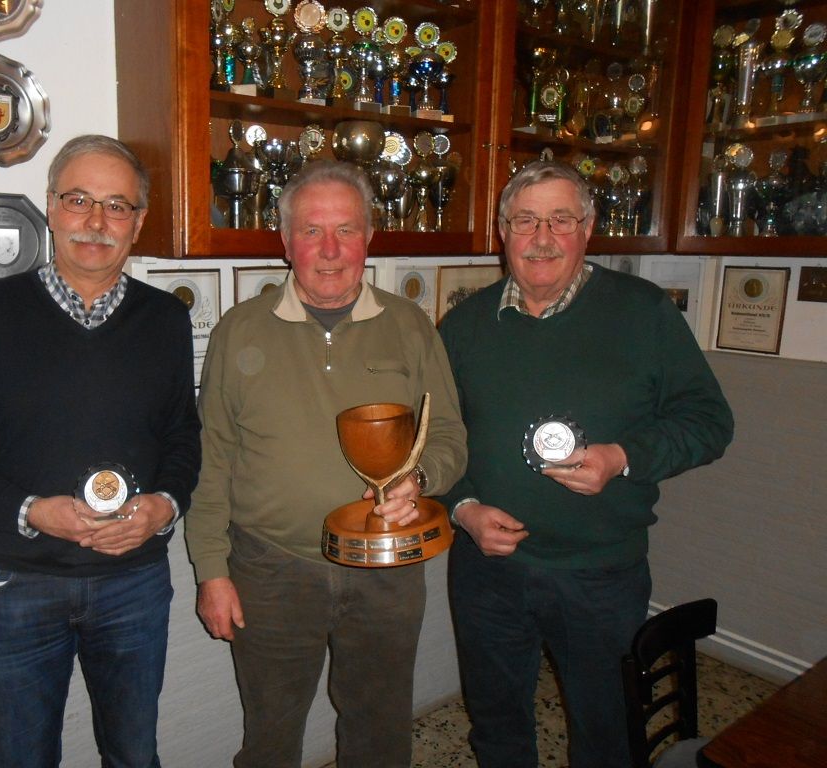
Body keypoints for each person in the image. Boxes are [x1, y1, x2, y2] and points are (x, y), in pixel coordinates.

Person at [0, 134, 201, 768]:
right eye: (78, 199)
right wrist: (31, 510)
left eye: (117, 205)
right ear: (50, 207)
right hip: (16, 585)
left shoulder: (165, 321)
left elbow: (183, 436)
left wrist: (165, 506)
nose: (96, 221)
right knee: (21, 758)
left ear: (138, 222)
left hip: (135, 584)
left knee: (133, 754)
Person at [438, 160, 734, 768]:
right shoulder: (465, 324)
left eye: (561, 219)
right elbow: (439, 438)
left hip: (599, 576)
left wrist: (624, 456)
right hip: (486, 573)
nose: (541, 237)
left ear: (588, 228)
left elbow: (709, 422)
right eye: (525, 220)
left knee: (606, 738)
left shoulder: (644, 313)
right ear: (502, 231)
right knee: (495, 728)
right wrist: (462, 507)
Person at [185, 160, 467, 768]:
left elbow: (447, 433)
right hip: (270, 569)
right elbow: (212, 463)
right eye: (312, 231)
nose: (331, 250)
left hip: (387, 569)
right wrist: (212, 570)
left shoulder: (410, 325)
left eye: (347, 230)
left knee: (381, 731)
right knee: (270, 737)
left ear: (370, 236)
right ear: (285, 242)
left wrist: (421, 480)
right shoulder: (238, 333)